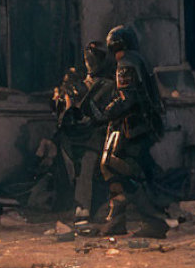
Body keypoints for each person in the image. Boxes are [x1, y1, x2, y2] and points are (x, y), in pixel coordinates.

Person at [92, 25, 169, 238]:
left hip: (131, 127)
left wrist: (104, 113)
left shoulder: (126, 62)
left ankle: (153, 220)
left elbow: (127, 98)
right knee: (114, 168)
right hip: (137, 126)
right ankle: (116, 219)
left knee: (116, 167)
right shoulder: (137, 60)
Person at [53, 42, 116, 219]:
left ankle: (88, 208)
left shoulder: (109, 85)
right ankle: (77, 207)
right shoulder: (80, 84)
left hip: (98, 135)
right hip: (76, 134)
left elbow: (108, 113)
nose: (90, 62)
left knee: (89, 165)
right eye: (87, 59)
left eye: (94, 59)